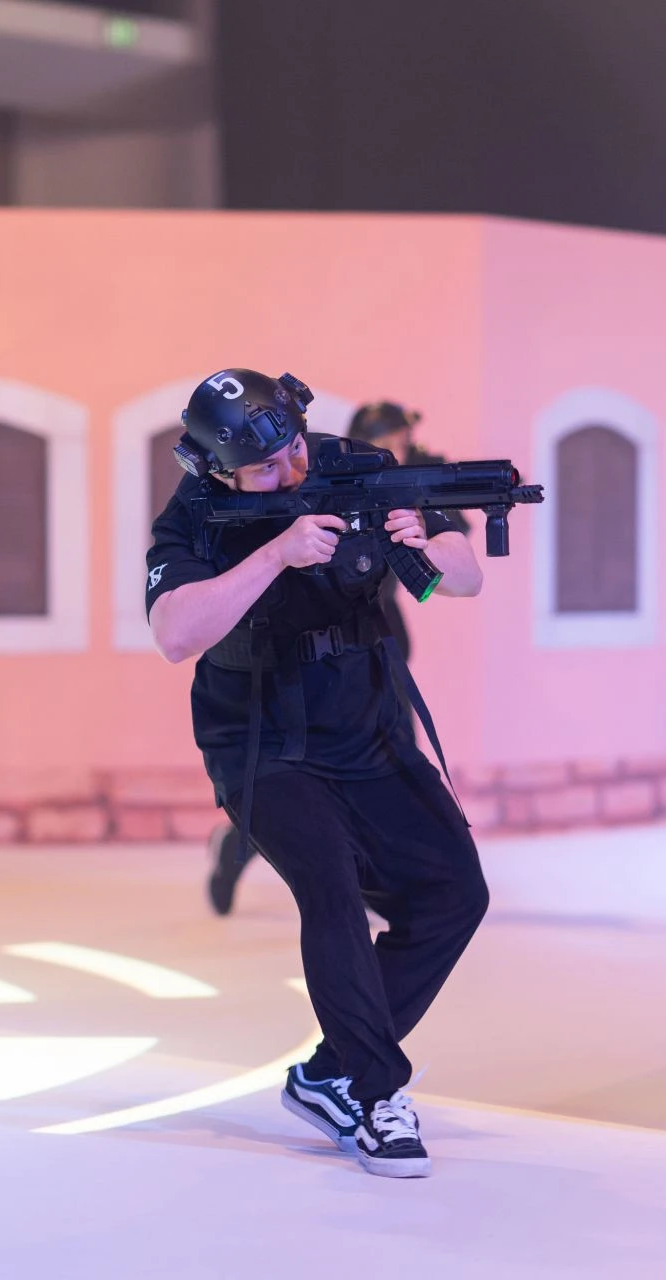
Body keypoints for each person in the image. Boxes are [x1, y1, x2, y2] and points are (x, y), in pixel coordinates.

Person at [147, 368, 489, 1178]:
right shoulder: (192, 514)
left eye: (294, 448)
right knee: (330, 890)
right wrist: (277, 553)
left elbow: (465, 575)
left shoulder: (358, 467)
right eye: (264, 469)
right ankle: (374, 1093)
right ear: (217, 470)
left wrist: (423, 542)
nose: (291, 471)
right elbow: (174, 633)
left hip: (366, 728)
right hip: (260, 742)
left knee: (453, 893)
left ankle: (328, 1072)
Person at [202, 398, 469, 915]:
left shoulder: (400, 479)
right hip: (312, 651)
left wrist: (423, 504)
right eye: (385, 444)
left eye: (400, 445)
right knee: (301, 787)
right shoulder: (324, 486)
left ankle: (383, 883)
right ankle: (237, 847)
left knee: (394, 765)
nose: (393, 453)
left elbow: (453, 538)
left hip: (378, 646)